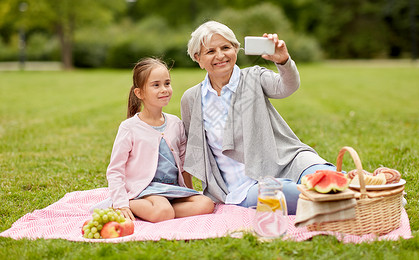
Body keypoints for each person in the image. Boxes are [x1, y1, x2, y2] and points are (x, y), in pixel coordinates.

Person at [181, 21, 337, 215]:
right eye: (210, 51)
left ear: (236, 49)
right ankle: (347, 201)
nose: (220, 55)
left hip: (286, 160)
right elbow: (189, 149)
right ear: (198, 58)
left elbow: (287, 87)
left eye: (226, 47)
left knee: (329, 178)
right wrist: (187, 192)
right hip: (242, 184)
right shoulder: (192, 99)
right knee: (289, 194)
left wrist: (283, 61)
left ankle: (369, 188)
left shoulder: (254, 76)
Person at [94, 57, 214, 223]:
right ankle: (128, 204)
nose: (164, 89)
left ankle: (162, 212)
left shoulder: (175, 123)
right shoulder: (129, 127)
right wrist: (122, 203)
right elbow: (115, 170)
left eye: (167, 83)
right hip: (146, 189)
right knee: (162, 209)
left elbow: (183, 162)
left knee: (206, 204)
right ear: (139, 93)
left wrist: (189, 191)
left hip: (172, 188)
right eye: (156, 85)